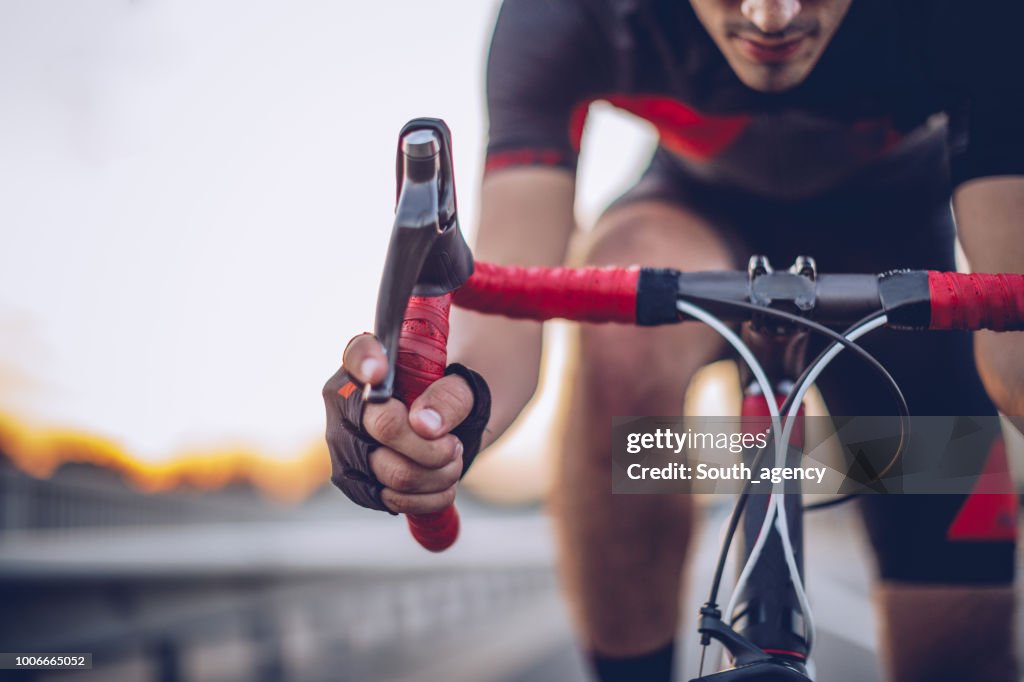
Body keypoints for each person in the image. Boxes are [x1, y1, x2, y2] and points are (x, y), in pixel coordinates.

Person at [326, 1, 1023, 679]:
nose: (770, 16)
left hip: (894, 252)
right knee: (623, 303)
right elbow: (502, 311)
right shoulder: (570, 13)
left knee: (958, 655)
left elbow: (1014, 353)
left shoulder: (977, 13)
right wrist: (443, 412)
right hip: (692, 222)